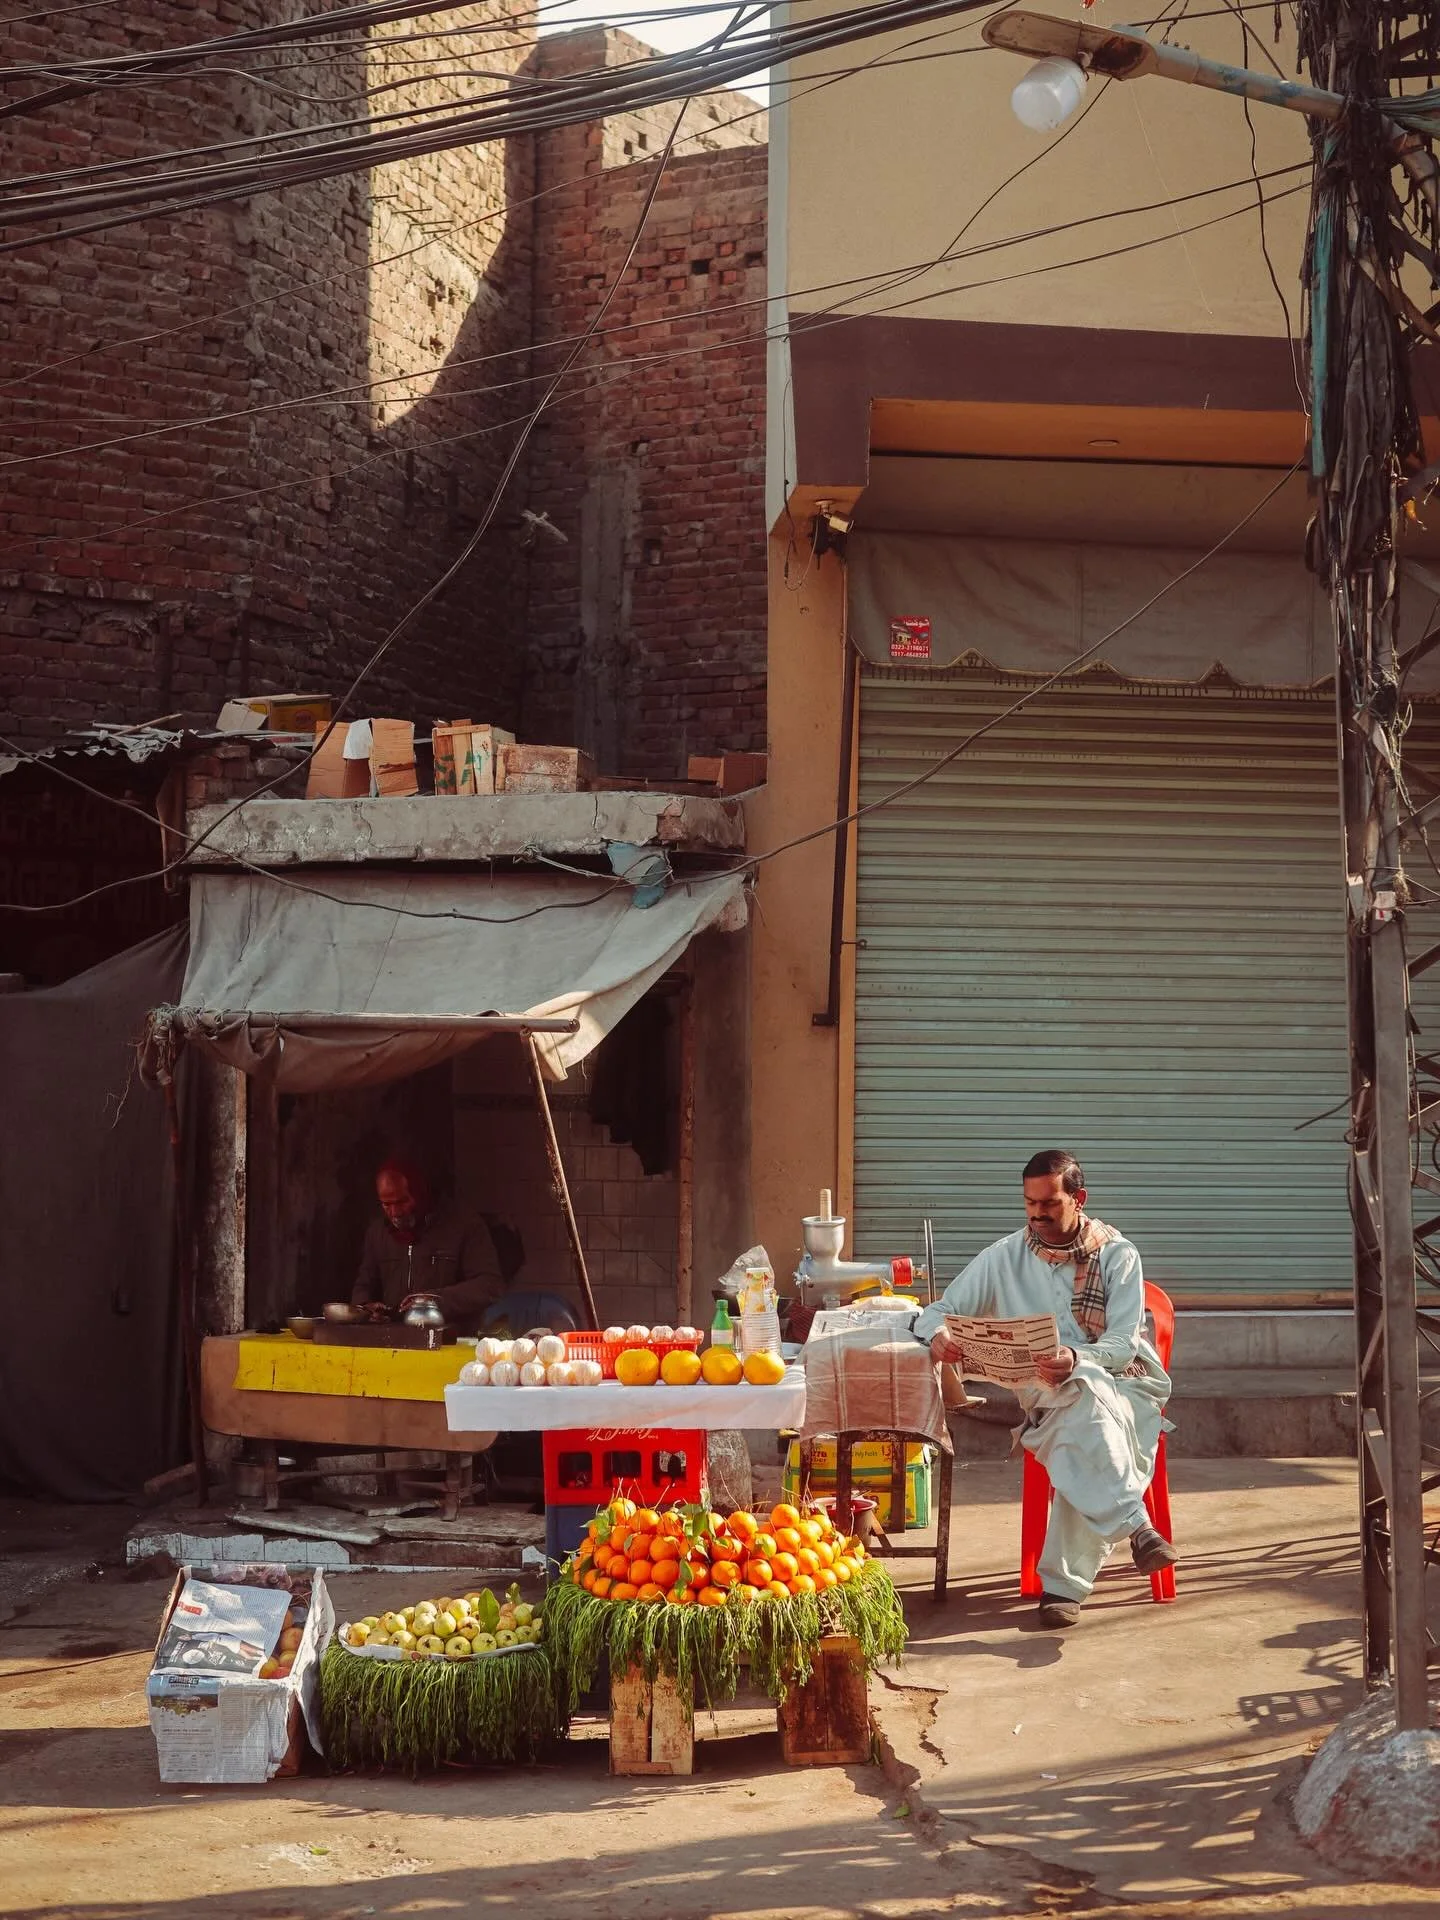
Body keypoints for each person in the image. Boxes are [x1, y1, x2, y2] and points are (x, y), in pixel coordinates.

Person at [913, 1150, 1176, 1629]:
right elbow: (936, 1310)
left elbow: (1120, 1345)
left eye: (1049, 1204)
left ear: (1079, 1199)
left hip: (1127, 1385)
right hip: (1042, 1392)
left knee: (1085, 1396)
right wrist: (940, 1336)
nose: (1037, 1214)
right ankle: (1136, 1529)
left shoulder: (1119, 1256)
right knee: (1081, 1405)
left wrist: (1077, 1358)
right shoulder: (1003, 1257)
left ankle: (1064, 1586)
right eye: (1029, 1203)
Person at [351, 1157, 501, 1335]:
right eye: (387, 1204)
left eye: (402, 1201)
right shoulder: (377, 1233)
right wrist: (365, 1308)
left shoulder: (464, 1225)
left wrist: (435, 1301)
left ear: (419, 1192)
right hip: (392, 1342)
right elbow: (363, 1286)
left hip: (450, 1341)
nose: (395, 1212)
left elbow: (490, 1285)